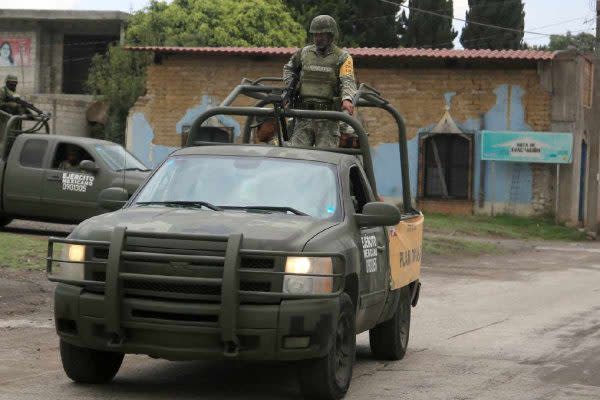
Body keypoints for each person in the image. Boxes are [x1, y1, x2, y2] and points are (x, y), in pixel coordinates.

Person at [283, 15, 357, 148]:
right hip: (303, 116)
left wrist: (347, 99)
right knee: (296, 156)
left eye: (321, 35)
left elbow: (348, 80)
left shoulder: (343, 57)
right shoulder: (304, 53)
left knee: (325, 159)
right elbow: (289, 69)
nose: (318, 38)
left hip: (328, 118)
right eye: (315, 35)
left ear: (331, 35)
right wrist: (291, 88)